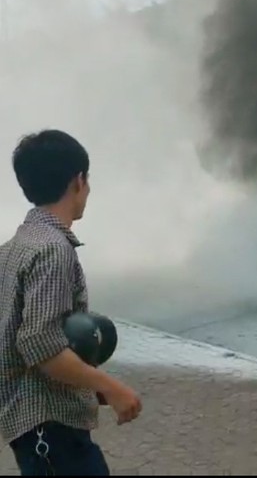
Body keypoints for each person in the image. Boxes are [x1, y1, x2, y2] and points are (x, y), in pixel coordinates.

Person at [0, 130, 142, 475]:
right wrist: (111, 386)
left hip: (33, 427)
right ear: (77, 181)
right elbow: (40, 344)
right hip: (52, 431)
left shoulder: (12, 249)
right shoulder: (52, 249)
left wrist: (86, 391)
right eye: (87, 180)